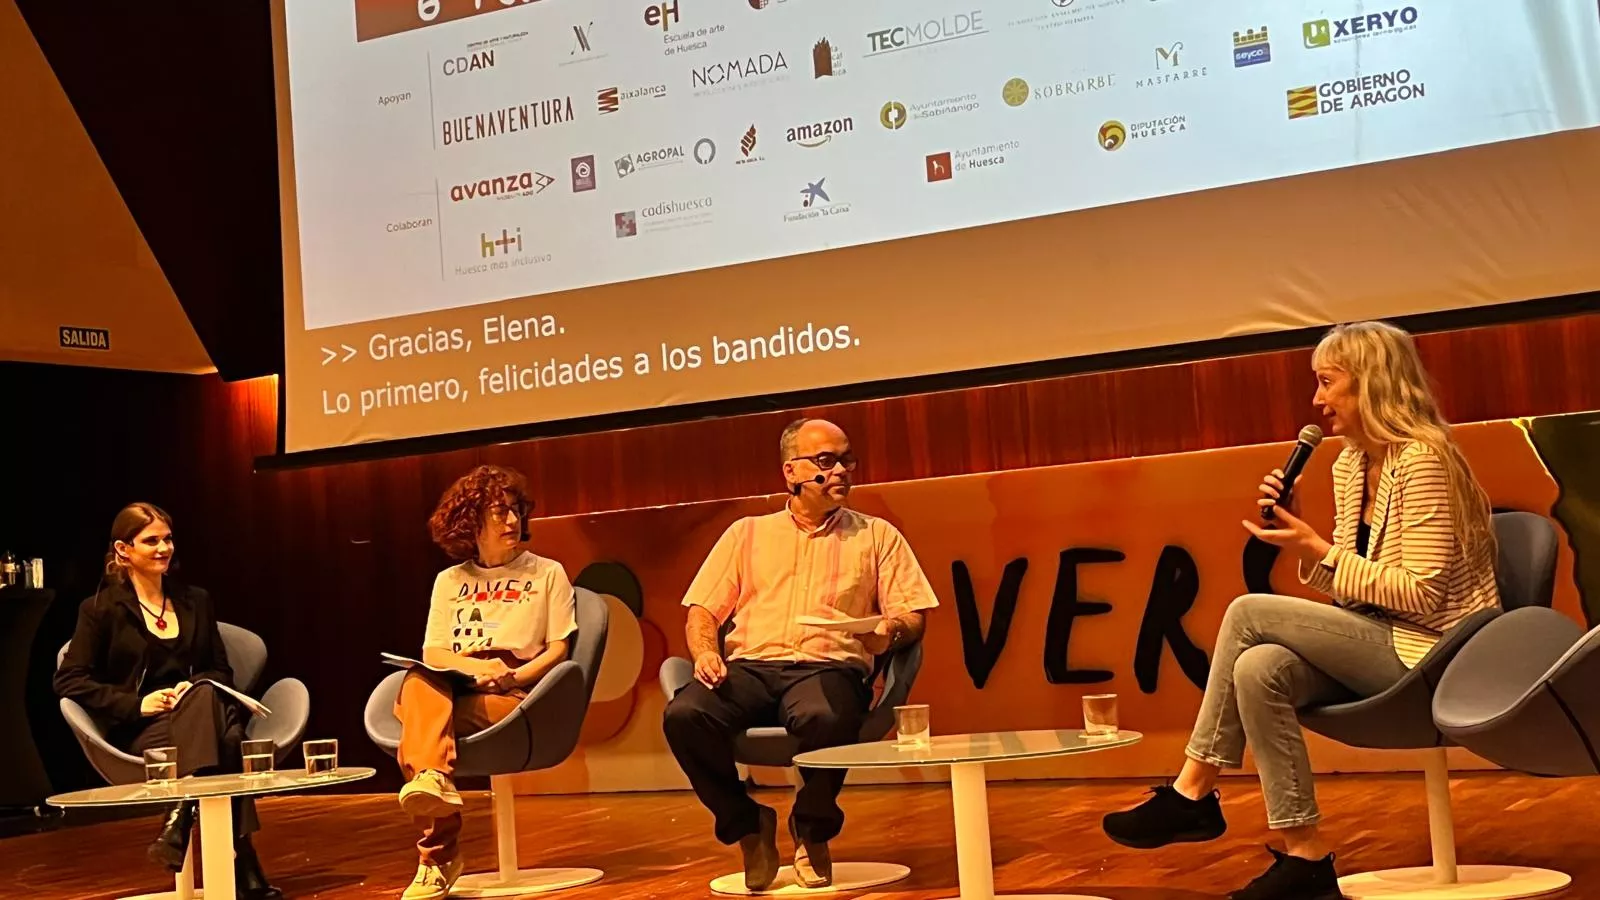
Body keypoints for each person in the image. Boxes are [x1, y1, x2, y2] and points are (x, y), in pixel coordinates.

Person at [1101, 321, 1501, 900]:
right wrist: (1305, 545)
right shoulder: (1347, 465)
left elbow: (1422, 595)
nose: (1316, 400)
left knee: (1245, 611)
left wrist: (1318, 549)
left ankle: (1193, 791)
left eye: (1327, 382)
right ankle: (1304, 854)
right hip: (1381, 638)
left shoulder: (1424, 460)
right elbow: (1350, 596)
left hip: (1438, 652)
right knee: (1257, 667)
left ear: (1371, 385)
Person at [663, 418, 940, 891]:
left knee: (825, 715)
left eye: (846, 460)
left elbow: (914, 615)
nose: (841, 472)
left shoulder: (877, 536)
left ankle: (812, 830)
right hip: (750, 666)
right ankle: (748, 824)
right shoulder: (746, 533)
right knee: (685, 714)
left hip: (827, 668)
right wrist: (706, 653)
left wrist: (887, 632)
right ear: (791, 472)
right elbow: (702, 611)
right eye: (825, 461)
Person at [54, 503, 281, 900]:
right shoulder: (99, 610)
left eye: (168, 539)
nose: (164, 548)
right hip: (146, 731)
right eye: (151, 541)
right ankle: (241, 858)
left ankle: (179, 820)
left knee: (209, 696)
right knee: (228, 740)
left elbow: (219, 670)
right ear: (124, 551)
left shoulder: (196, 600)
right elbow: (69, 679)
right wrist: (136, 704)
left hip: (198, 717)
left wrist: (190, 687)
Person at [392, 465, 577, 900]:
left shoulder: (548, 573)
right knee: (420, 679)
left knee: (421, 726)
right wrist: (471, 669)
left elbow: (558, 651)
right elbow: (434, 652)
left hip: (517, 695)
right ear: (471, 520)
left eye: (515, 511)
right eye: (500, 512)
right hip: (458, 682)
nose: (512, 521)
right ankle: (433, 788)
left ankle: (436, 857)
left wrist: (512, 674)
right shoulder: (449, 581)